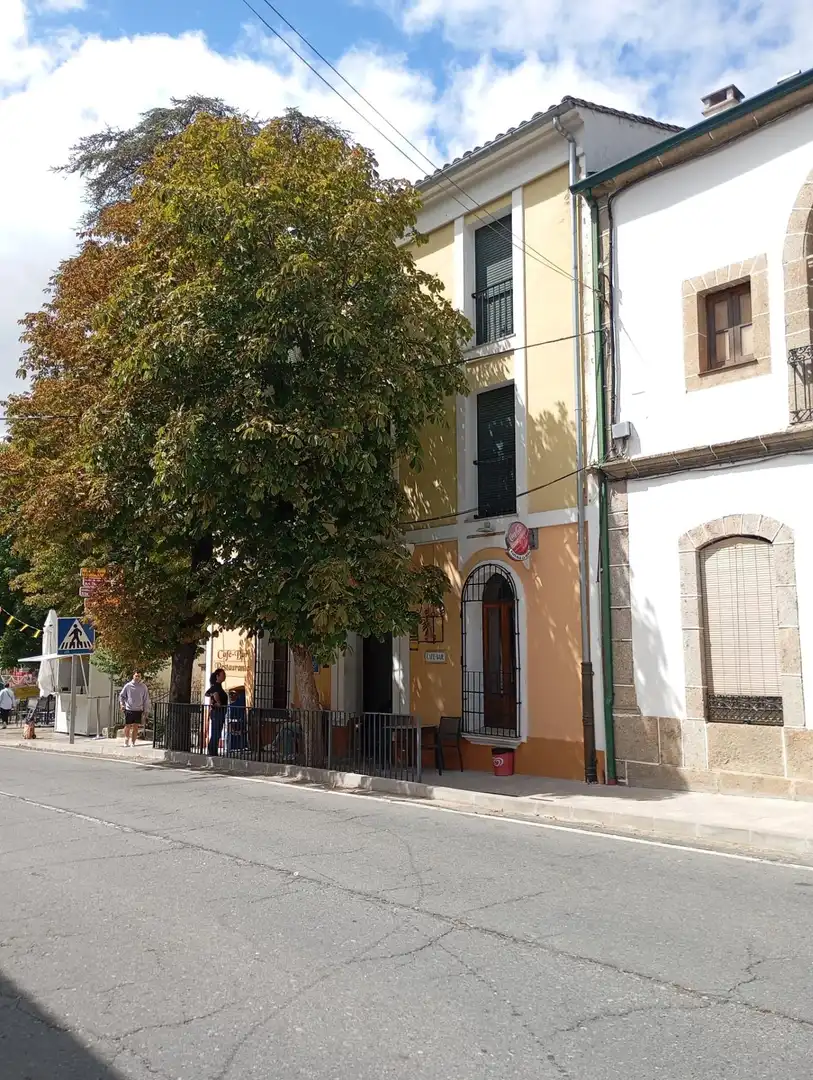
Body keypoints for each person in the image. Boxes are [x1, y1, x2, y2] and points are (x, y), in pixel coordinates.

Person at [119, 671, 150, 747]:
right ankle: (126, 739)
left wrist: (146, 710)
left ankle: (133, 742)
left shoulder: (143, 687)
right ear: (133, 676)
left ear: (141, 677)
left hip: (138, 709)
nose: (137, 678)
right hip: (129, 708)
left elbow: (146, 699)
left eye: (139, 676)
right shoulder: (128, 686)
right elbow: (121, 696)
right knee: (127, 726)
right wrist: (122, 704)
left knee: (136, 727)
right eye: (136, 676)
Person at [205, 668, 228, 761]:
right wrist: (216, 701)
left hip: (221, 712)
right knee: (216, 731)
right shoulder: (215, 686)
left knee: (217, 732)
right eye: (223, 674)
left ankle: (213, 750)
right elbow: (208, 694)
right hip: (217, 713)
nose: (224, 676)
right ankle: (212, 750)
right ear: (218, 676)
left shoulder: (219, 686)